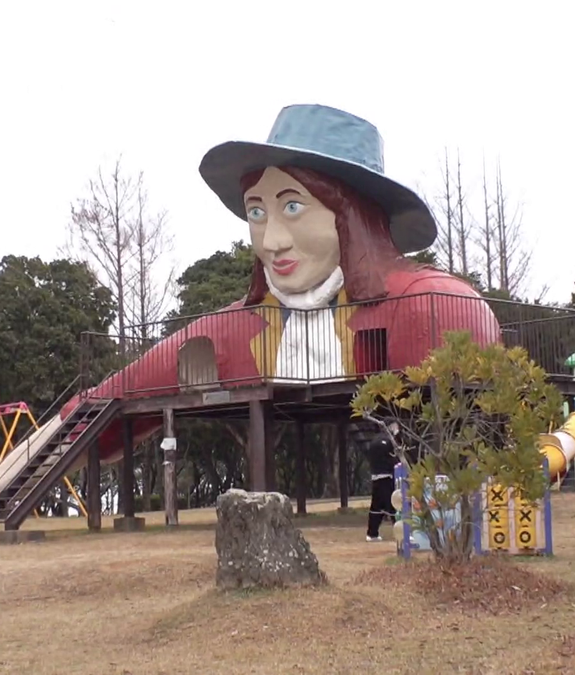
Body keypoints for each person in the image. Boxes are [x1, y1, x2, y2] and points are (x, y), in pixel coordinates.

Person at [57, 104, 502, 469]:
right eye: (257, 212)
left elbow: (486, 420)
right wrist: (51, 441)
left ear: (350, 215)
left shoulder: (433, 306)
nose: (270, 242)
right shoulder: (238, 328)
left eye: (293, 206)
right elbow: (112, 402)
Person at [364, 435, 399, 542]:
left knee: (376, 507)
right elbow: (393, 459)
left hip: (376, 477)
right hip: (386, 477)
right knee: (393, 504)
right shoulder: (387, 442)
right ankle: (402, 532)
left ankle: (372, 533)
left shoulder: (374, 441)